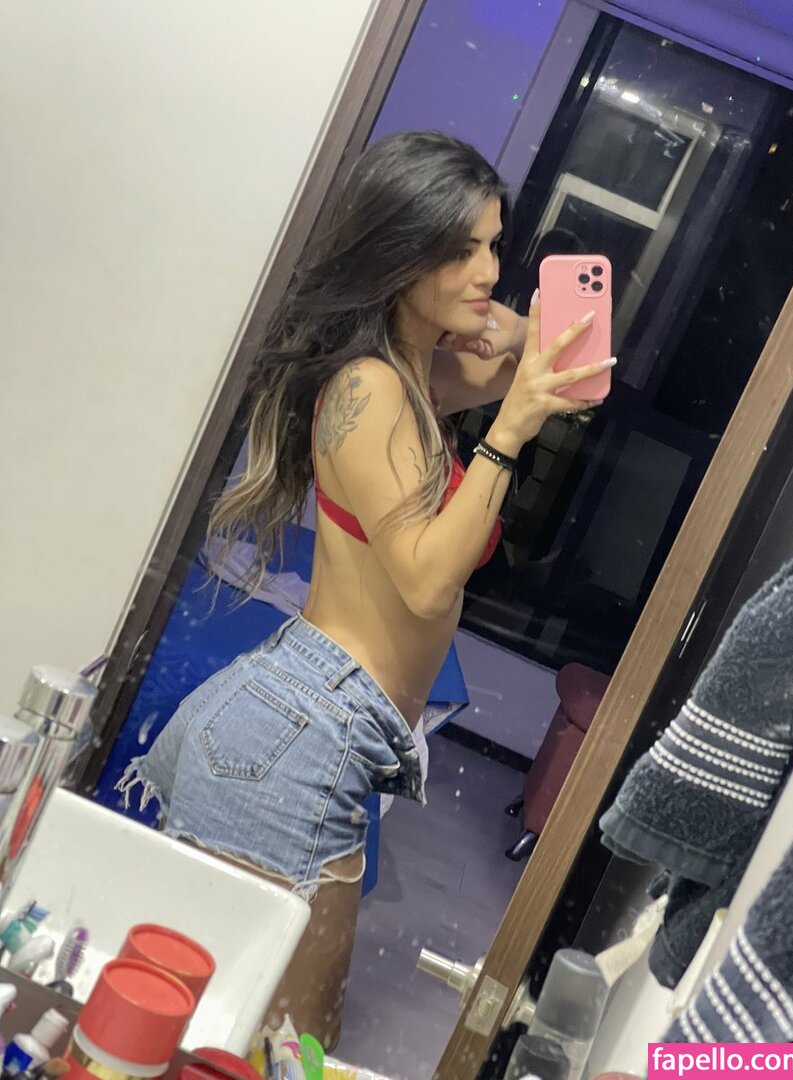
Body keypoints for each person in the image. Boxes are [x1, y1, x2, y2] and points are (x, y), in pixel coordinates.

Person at [117, 131, 614, 1047]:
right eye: (461, 249)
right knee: (278, 1045)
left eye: (495, 246)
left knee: (280, 1041)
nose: (488, 271)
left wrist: (517, 330)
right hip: (299, 730)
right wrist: (511, 430)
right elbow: (424, 581)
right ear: (402, 251)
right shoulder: (371, 387)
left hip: (328, 726)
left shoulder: (416, 378)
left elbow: (519, 358)